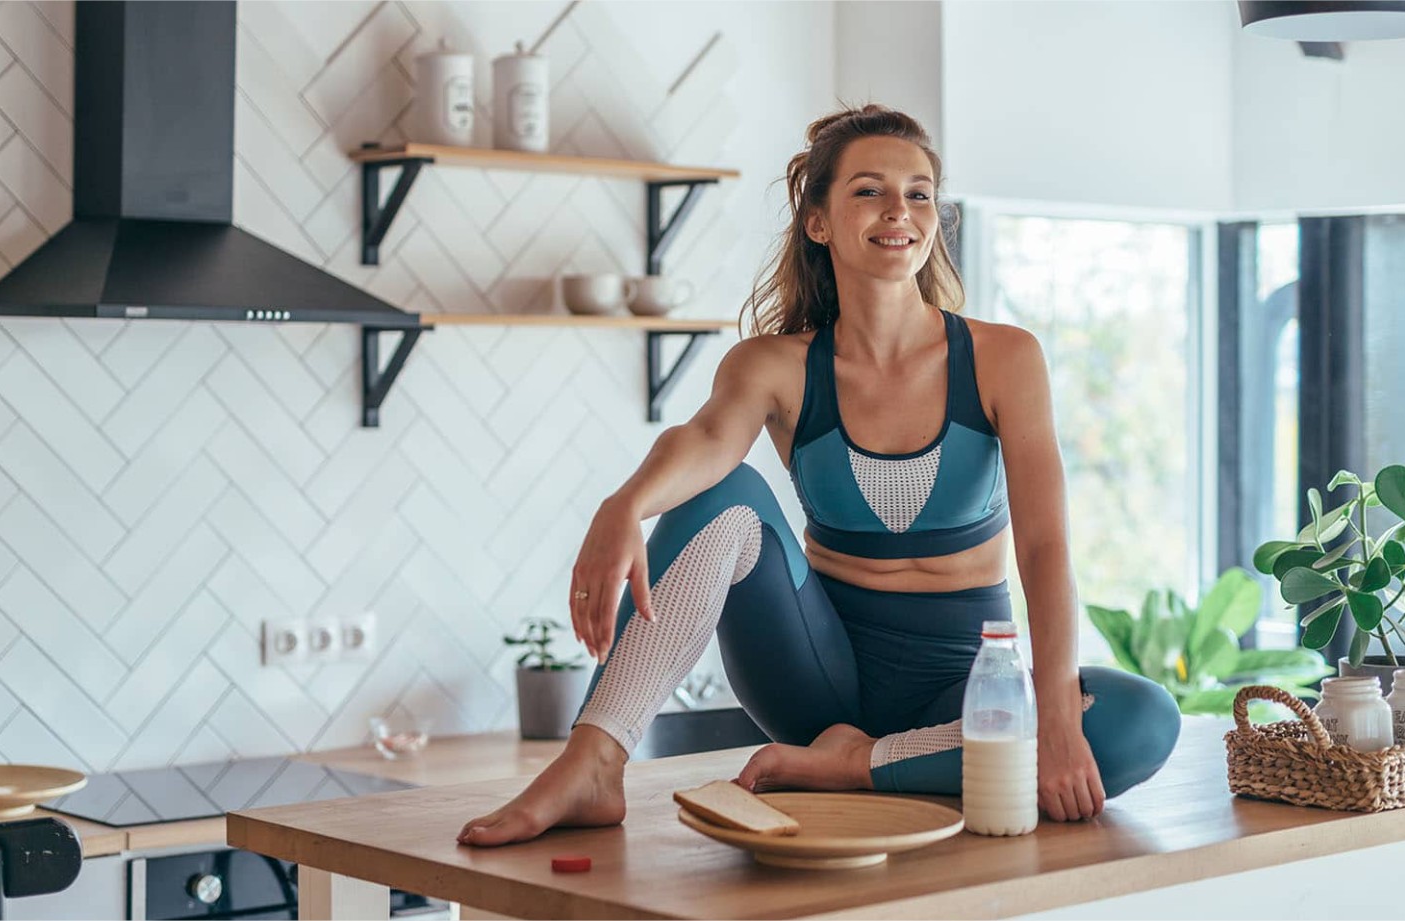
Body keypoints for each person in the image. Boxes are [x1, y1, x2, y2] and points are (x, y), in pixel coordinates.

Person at [458, 104, 1181, 847]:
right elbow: (708, 439)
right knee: (724, 491)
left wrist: (1055, 714)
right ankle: (593, 763)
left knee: (1143, 718)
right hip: (815, 680)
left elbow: (1046, 547)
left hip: (962, 698)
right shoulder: (776, 366)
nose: (900, 209)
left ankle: (858, 765)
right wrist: (625, 504)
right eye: (869, 190)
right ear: (819, 222)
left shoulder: (1005, 358)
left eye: (920, 191)